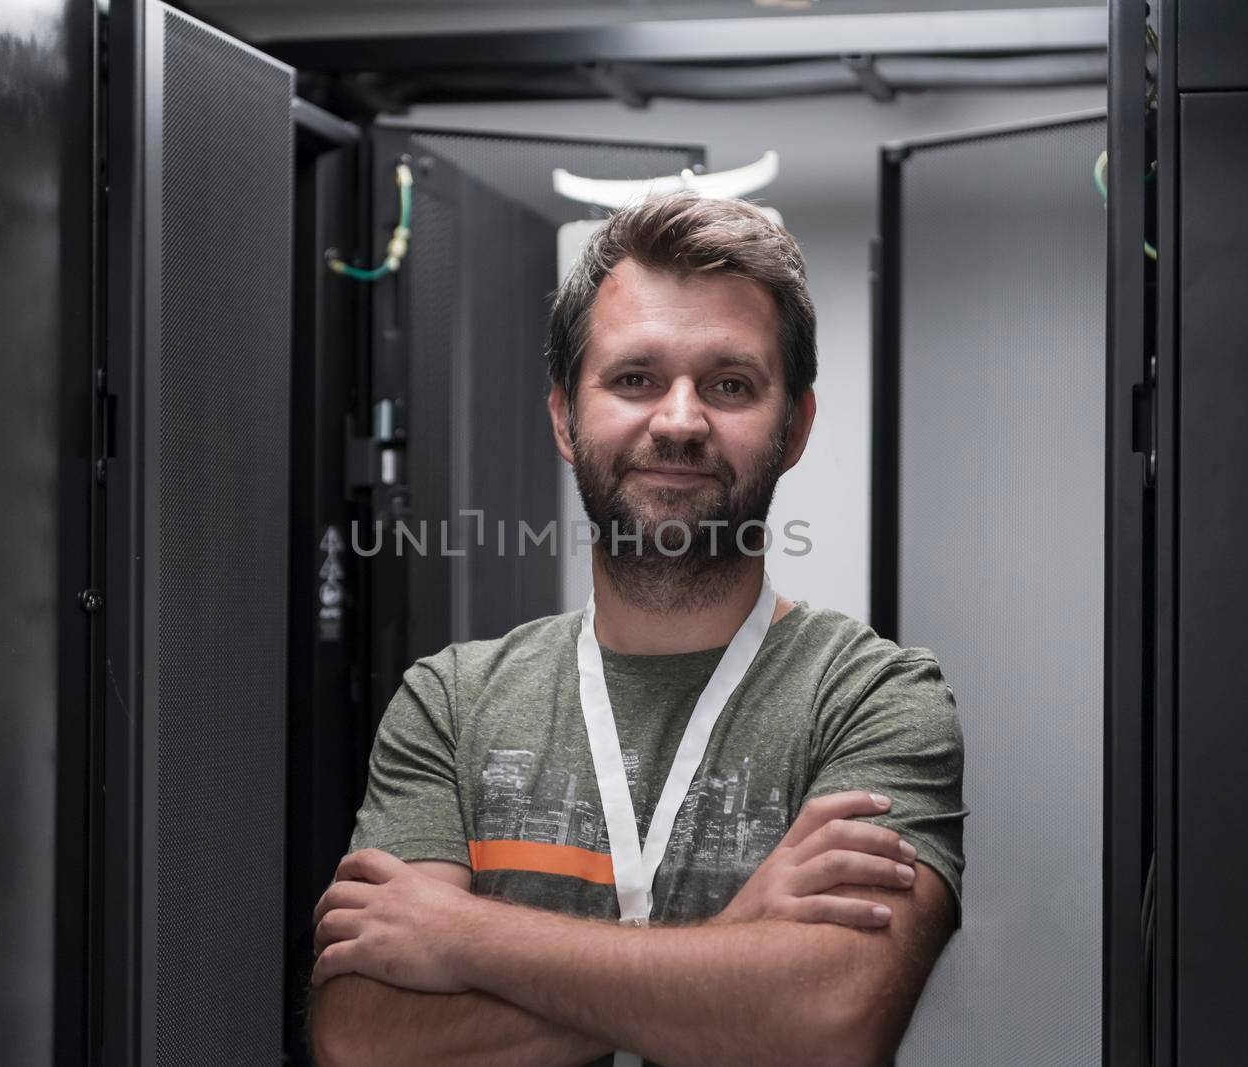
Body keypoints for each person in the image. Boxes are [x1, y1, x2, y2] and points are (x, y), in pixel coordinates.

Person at [307, 192, 967, 1066]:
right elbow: (361, 1039)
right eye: (634, 378)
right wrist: (736, 946)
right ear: (563, 419)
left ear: (796, 426)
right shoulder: (453, 703)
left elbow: (832, 1021)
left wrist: (461, 934)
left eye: (730, 384)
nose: (681, 420)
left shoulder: (871, 700)